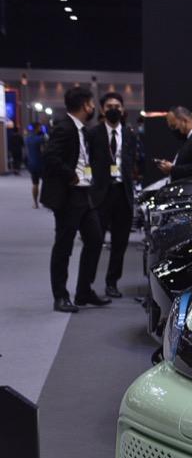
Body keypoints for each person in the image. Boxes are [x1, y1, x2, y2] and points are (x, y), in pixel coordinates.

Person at [41, 86, 111, 313]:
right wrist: (70, 174)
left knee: (95, 239)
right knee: (64, 246)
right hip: (68, 195)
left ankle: (83, 291)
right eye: (91, 103)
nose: (93, 107)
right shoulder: (64, 127)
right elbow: (50, 156)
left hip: (84, 193)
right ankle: (60, 297)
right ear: (84, 105)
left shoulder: (81, 130)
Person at [90, 92, 140, 298]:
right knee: (95, 240)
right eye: (109, 106)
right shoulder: (93, 134)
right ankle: (87, 284)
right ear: (102, 110)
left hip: (122, 193)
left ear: (123, 109)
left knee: (120, 243)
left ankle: (112, 283)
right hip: (101, 193)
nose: (113, 109)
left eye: (117, 106)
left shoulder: (130, 135)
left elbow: (132, 161)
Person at [156, 106, 192, 180]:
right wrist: (172, 167)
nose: (173, 130)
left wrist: (172, 169)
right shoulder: (190, 139)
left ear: (184, 121)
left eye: (174, 126)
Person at [25, 122, 47, 209]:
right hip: (41, 163)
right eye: (40, 127)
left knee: (35, 183)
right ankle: (45, 202)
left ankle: (35, 203)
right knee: (45, 183)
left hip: (31, 163)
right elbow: (44, 150)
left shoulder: (27, 139)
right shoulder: (40, 139)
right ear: (37, 128)